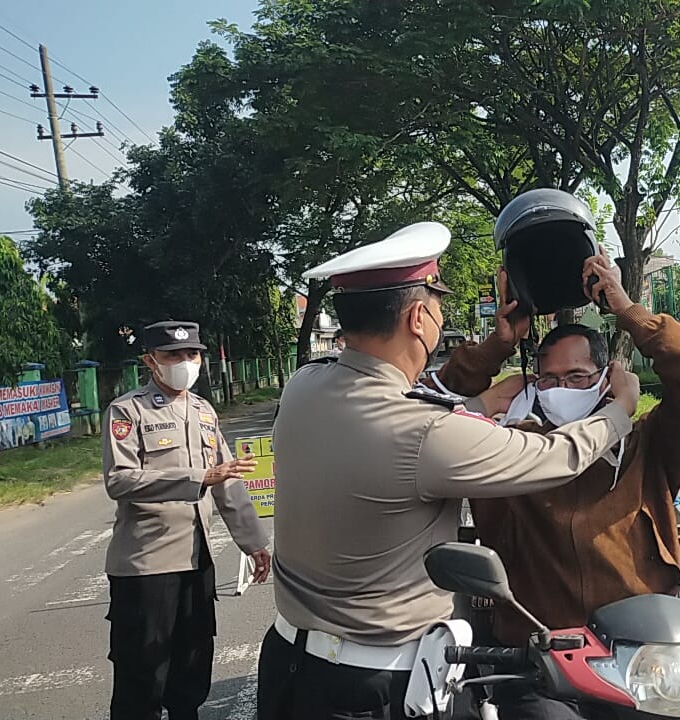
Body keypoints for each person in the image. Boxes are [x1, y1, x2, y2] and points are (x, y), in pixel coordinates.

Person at [257, 222, 639, 720]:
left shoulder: (305, 385)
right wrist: (619, 410)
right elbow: (553, 457)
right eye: (438, 304)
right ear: (418, 317)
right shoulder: (426, 434)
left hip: (290, 663)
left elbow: (406, 406)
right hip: (374, 689)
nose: (440, 315)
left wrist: (480, 392)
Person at [434, 248, 680, 720]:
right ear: (531, 382)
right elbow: (432, 411)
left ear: (606, 377)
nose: (563, 388)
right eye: (549, 379)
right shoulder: (507, 447)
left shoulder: (646, 440)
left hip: (645, 651)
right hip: (538, 654)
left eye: (577, 376)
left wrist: (628, 310)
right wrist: (497, 345)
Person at [102, 320, 270, 720]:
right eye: (173, 355)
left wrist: (255, 543)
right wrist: (199, 478)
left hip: (197, 562)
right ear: (150, 361)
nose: (185, 362)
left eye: (191, 354)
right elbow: (120, 480)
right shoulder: (128, 411)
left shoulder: (203, 410)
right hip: (147, 566)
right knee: (142, 673)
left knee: (193, 668)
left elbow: (227, 482)